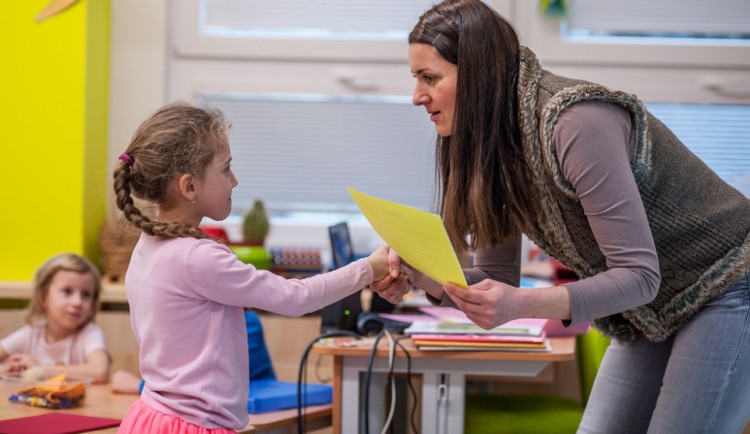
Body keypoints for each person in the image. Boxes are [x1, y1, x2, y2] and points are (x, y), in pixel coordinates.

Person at [372, 1, 750, 432]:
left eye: (430, 78)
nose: (417, 96)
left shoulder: (574, 122)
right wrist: (423, 276)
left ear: (478, 76)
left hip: (730, 280)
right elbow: (499, 279)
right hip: (654, 303)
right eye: (416, 78)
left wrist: (523, 306)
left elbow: (640, 275)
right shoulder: (493, 149)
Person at [112, 101, 392, 433]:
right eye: (226, 168)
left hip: (152, 417)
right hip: (192, 426)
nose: (234, 180)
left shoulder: (148, 246)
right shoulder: (196, 257)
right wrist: (369, 268)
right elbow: (295, 298)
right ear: (189, 187)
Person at [0, 253, 111, 383]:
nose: (77, 302)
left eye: (86, 294)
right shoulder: (31, 333)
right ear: (44, 297)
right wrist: (5, 370)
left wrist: (41, 368)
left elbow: (100, 372)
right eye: (67, 291)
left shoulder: (89, 333)